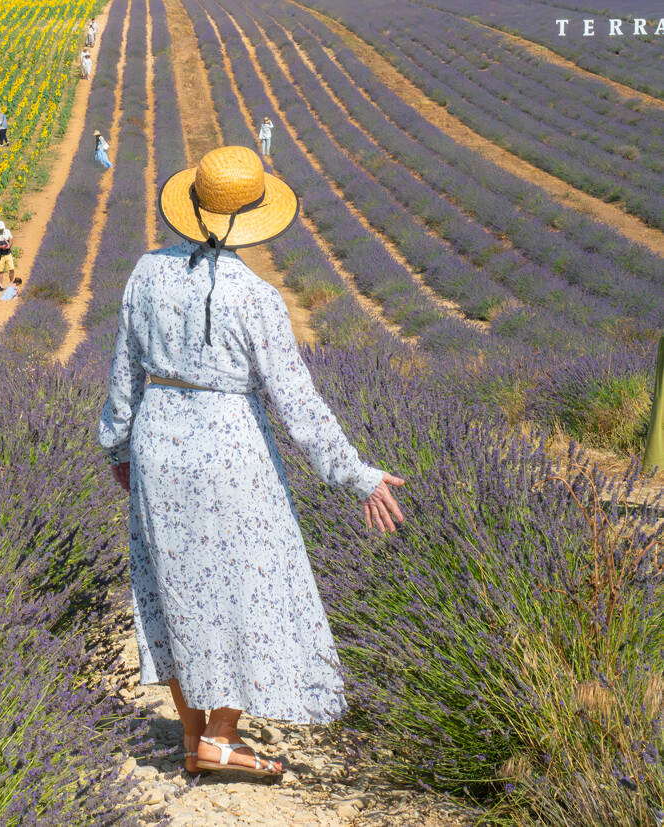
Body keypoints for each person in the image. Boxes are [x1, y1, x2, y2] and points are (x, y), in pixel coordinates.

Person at [99, 146, 406, 779]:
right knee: (246, 582)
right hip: (232, 449)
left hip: (159, 440)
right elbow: (298, 404)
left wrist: (118, 445)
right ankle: (220, 735)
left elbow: (123, 372)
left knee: (171, 583)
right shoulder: (257, 297)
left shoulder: (146, 273)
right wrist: (358, 475)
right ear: (255, 215)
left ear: (192, 204)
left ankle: (194, 742)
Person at [0, 220, 15, 290]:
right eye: (0, 229)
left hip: (8, 253)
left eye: (2, 228)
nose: (1, 230)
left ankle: (11, 283)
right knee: (0, 270)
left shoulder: (7, 231)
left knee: (11, 269)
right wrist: (1, 247)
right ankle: (0, 285)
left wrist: (9, 246)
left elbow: (11, 240)